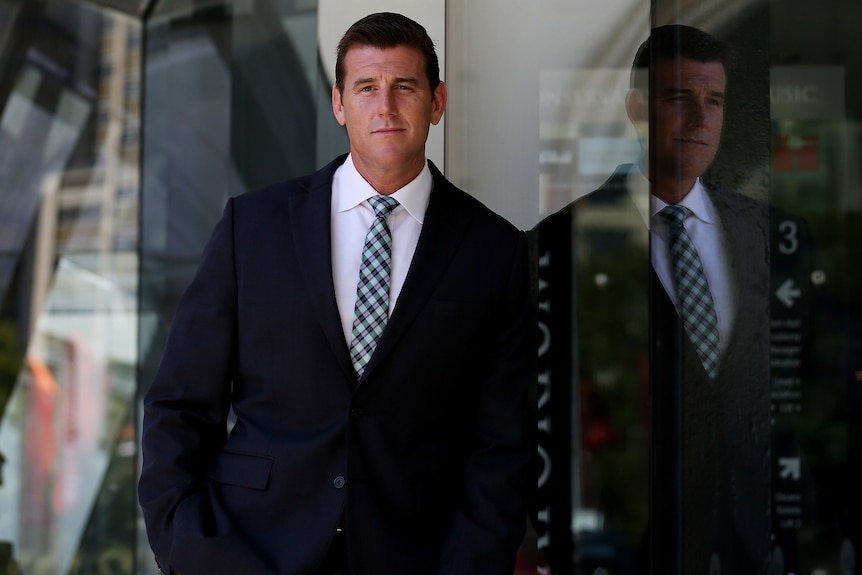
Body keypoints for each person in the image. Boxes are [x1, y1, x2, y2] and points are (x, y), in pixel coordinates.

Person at [138, 12, 534, 575]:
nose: (386, 107)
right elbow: (180, 404)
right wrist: (189, 544)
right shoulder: (252, 227)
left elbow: (502, 445)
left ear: (438, 102)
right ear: (339, 103)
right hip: (251, 550)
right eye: (367, 87)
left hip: (413, 555)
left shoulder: (494, 250)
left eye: (406, 87)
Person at [532, 25, 834, 574]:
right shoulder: (558, 244)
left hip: (764, 546)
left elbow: (816, 395)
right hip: (631, 550)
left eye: (713, 101)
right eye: (679, 99)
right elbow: (537, 416)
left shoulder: (774, 237)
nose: (700, 121)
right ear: (637, 108)